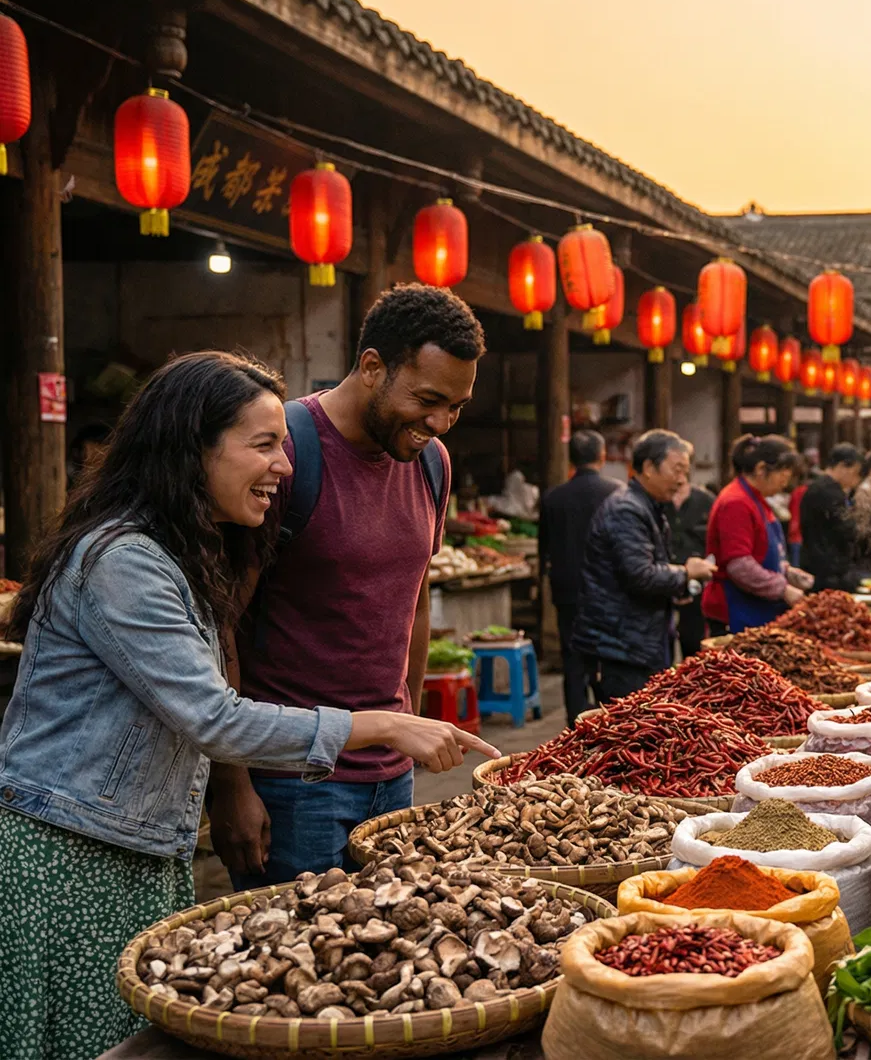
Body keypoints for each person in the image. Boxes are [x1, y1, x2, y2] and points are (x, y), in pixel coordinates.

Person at [0, 352, 495, 1059]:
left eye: (284, 448)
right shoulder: (124, 562)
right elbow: (213, 716)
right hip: (71, 855)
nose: (284, 468)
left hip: (138, 846)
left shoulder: (180, 553)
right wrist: (381, 724)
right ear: (190, 449)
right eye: (263, 445)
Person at [212, 284, 484, 890]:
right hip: (291, 781)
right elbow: (221, 619)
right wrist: (230, 786)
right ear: (371, 367)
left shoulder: (432, 462)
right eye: (427, 399)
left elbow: (415, 597)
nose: (439, 423)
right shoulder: (285, 452)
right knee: (292, 969)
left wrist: (406, 721)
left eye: (456, 407)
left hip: (392, 775)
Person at [571, 430, 716, 703]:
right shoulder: (628, 509)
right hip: (621, 646)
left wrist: (677, 587)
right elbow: (641, 575)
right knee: (628, 731)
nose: (683, 479)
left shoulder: (646, 506)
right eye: (677, 470)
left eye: (686, 471)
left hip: (636, 641)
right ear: (649, 467)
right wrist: (686, 572)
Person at [539, 430, 622, 725]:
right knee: (607, 655)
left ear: (570, 458)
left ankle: (576, 723)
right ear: (602, 456)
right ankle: (609, 719)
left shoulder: (553, 497)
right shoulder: (617, 493)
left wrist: (543, 583)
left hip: (567, 590)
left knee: (572, 659)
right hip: (607, 591)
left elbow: (544, 548)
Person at [703, 434, 813, 634]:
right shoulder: (736, 502)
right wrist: (783, 588)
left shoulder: (757, 500)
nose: (784, 484)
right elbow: (739, 565)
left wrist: (788, 572)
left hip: (757, 608)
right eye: (783, 477)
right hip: (736, 609)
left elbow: (761, 552)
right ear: (761, 469)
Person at [799, 444, 871, 594]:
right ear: (842, 466)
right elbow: (847, 529)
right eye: (856, 473)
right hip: (826, 571)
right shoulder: (827, 491)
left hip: (826, 567)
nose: (857, 480)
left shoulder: (826, 487)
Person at [665, 470, 717, 661]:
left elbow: (714, 544)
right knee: (663, 643)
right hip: (663, 579)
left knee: (693, 641)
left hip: (697, 582)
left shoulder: (706, 501)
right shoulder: (659, 501)